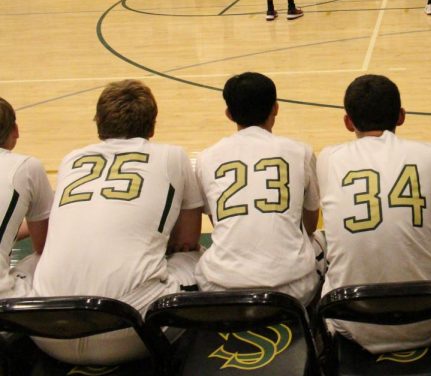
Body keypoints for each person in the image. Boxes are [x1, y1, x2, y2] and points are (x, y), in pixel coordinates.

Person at [32, 80, 203, 365]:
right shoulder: (173, 155)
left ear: (99, 123)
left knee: (35, 262)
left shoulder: (71, 158)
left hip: (47, 329)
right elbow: (188, 239)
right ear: (152, 125)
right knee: (200, 259)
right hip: (128, 330)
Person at [316, 74, 431, 353]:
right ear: (401, 116)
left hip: (351, 321)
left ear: (348, 122)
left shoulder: (326, 158)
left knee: (325, 247)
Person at [195, 73, 322, 303]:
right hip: (294, 291)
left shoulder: (205, 158)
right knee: (324, 242)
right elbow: (311, 223)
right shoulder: (300, 151)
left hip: (223, 289)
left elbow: (218, 222)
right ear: (276, 108)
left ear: (229, 114)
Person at [0, 97, 53, 299]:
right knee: (52, 256)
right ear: (14, 129)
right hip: (4, 298)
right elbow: (43, 243)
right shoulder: (26, 166)